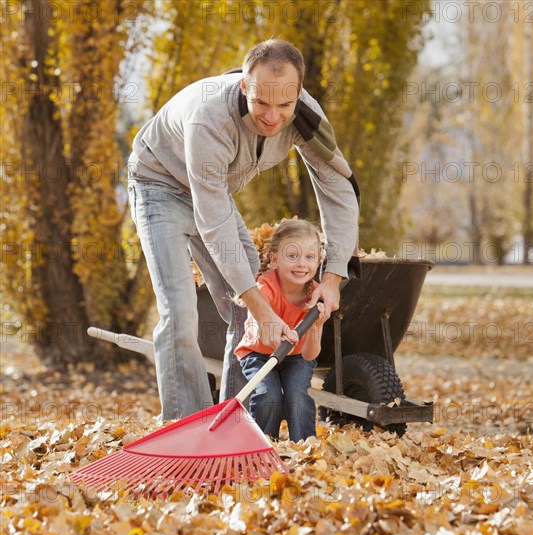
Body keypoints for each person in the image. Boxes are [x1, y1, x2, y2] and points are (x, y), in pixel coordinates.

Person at [127, 39, 360, 421]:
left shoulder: (306, 117)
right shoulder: (210, 119)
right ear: (244, 87)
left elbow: (338, 188)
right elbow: (215, 220)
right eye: (261, 103)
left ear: (298, 94)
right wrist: (259, 306)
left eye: (284, 105)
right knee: (180, 308)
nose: (273, 116)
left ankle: (232, 418)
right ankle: (187, 426)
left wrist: (333, 276)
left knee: (246, 305)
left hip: (213, 192)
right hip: (159, 186)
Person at [235, 219, 327, 442]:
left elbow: (309, 355)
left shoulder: (315, 296)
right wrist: (280, 334)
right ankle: (263, 445)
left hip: (295, 357)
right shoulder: (265, 288)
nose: (301, 264)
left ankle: (304, 447)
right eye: (292, 256)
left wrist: (316, 324)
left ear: (318, 260)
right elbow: (259, 331)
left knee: (297, 396)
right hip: (259, 353)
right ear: (274, 259)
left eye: (309, 257)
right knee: (269, 395)